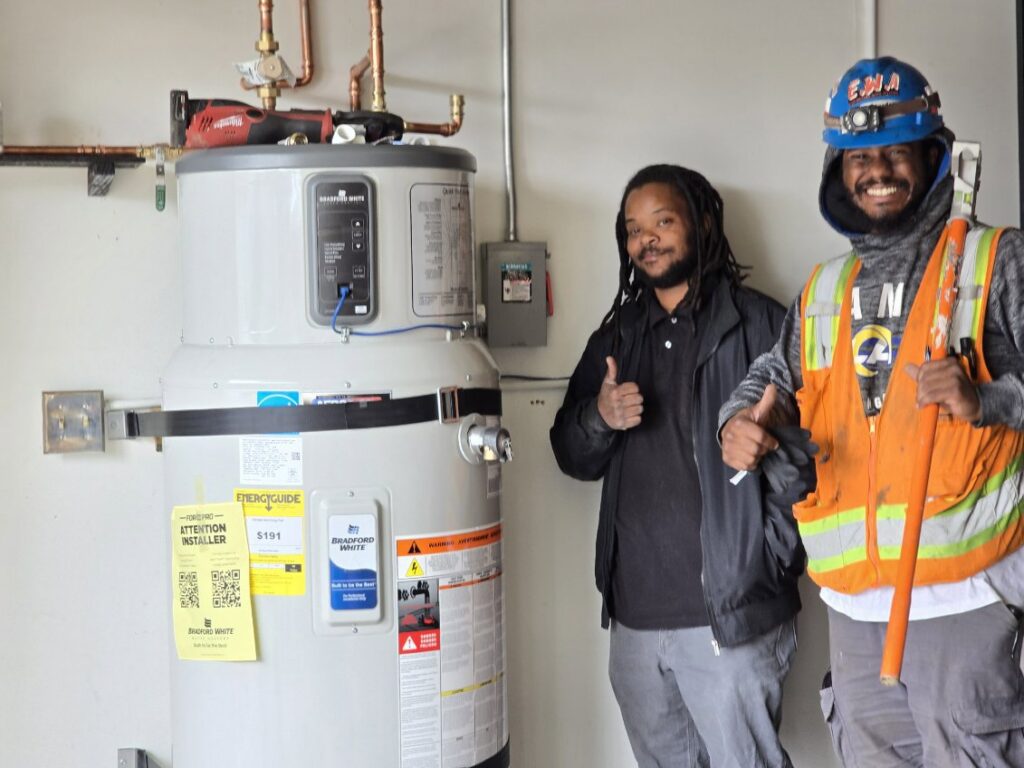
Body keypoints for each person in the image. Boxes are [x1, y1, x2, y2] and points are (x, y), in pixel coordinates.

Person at [720, 56, 1024, 767]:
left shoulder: (993, 261)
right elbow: (772, 379)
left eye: (895, 151)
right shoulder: (826, 286)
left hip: (968, 604)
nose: (877, 170)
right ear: (838, 170)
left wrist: (987, 400)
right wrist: (741, 425)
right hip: (857, 616)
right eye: (860, 157)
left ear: (930, 155)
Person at [550, 164, 808, 767]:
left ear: (702, 223)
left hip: (733, 620)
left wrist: (766, 557)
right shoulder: (618, 335)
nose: (648, 239)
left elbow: (818, 461)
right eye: (634, 229)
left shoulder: (764, 327)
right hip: (636, 627)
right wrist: (599, 417)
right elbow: (568, 452)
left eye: (662, 221)